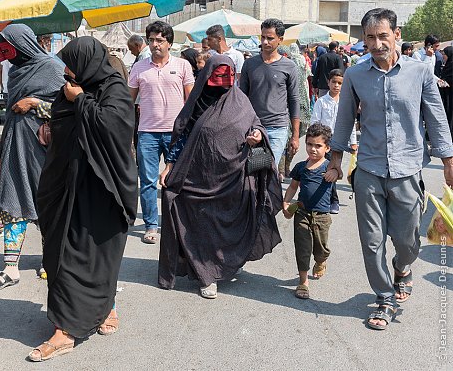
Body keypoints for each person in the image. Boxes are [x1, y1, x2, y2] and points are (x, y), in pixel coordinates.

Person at [326, 8, 453, 331]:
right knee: (371, 242)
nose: (377, 43)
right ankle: (384, 298)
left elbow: (436, 118)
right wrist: (336, 159)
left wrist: (448, 161)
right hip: (368, 167)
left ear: (397, 34)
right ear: (364, 40)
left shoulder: (420, 72)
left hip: (408, 168)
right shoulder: (355, 75)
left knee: (408, 240)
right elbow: (344, 119)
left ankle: (402, 268)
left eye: (383, 35)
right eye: (370, 37)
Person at [33, 37, 137, 362]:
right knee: (63, 253)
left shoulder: (114, 90)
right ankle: (65, 328)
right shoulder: (69, 88)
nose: (66, 70)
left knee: (98, 256)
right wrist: (50, 126)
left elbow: (113, 128)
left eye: (71, 63)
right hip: (67, 188)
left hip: (102, 192)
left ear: (88, 64)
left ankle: (95, 313)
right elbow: (61, 118)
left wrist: (80, 102)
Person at [157, 56, 282, 299]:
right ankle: (206, 275)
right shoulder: (198, 102)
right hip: (198, 174)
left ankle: (224, 264)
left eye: (227, 79)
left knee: (227, 225)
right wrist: (170, 165)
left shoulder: (241, 101)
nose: (222, 85)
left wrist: (257, 135)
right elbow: (182, 133)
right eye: (217, 79)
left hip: (233, 177)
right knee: (192, 215)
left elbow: (256, 126)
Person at [0, 25, 65, 292]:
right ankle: (10, 268)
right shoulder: (16, 70)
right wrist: (2, 151)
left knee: (47, 204)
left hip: (44, 151)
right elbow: (10, 115)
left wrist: (35, 104)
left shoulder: (53, 67)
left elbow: (72, 108)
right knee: (12, 201)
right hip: (15, 145)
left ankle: (50, 259)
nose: (8, 58)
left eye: (10, 49)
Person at [128, 21, 194, 244]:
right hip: (147, 132)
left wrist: (190, 130)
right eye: (151, 40)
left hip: (176, 133)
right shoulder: (139, 68)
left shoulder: (183, 66)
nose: (155, 44)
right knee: (147, 181)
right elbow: (128, 101)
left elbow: (190, 100)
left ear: (169, 43)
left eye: (159, 40)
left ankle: (178, 222)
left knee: (178, 180)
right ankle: (151, 226)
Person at [282, 123, 334, 300]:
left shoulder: (329, 168)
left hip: (322, 217)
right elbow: (293, 186)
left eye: (318, 145)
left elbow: (340, 173)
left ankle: (320, 261)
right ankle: (303, 281)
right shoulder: (301, 167)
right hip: (302, 213)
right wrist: (286, 202)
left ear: (327, 148)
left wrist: (335, 172)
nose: (313, 149)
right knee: (302, 248)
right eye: (310, 144)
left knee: (321, 249)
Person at [239, 18, 300, 162]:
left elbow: (294, 100)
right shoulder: (249, 64)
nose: (265, 42)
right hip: (253, 127)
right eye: (263, 37)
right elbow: (242, 98)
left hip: (277, 128)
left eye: (270, 38)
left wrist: (295, 136)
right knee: (252, 172)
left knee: (270, 170)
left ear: (280, 39)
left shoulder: (289, 66)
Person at [310, 69, 357, 214]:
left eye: (340, 83)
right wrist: (314, 141)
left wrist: (353, 142)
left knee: (333, 169)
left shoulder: (346, 101)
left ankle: (332, 200)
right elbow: (315, 122)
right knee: (325, 169)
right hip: (324, 143)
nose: (336, 85)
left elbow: (351, 122)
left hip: (339, 143)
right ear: (328, 83)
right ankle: (328, 199)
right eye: (334, 82)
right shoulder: (321, 101)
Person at [280, 43, 312, 179]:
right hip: (287, 110)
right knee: (284, 139)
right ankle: (282, 169)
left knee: (291, 139)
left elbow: (299, 91)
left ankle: (285, 167)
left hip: (295, 109)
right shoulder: (296, 64)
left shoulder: (292, 68)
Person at [438, 46, 453, 133]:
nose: (443, 56)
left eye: (445, 54)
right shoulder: (447, 65)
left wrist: (446, 82)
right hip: (446, 95)